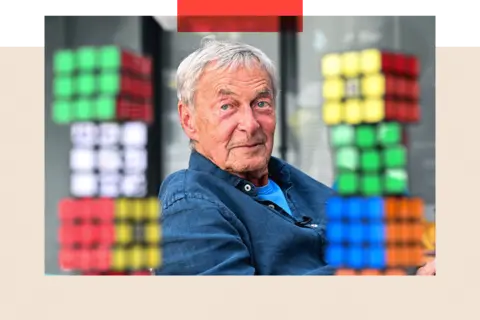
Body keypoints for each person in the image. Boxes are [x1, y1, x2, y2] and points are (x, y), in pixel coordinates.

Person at [154, 37, 436, 276]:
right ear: (188, 119)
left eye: (261, 103)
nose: (250, 124)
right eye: (227, 106)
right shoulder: (189, 202)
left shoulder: (292, 181)